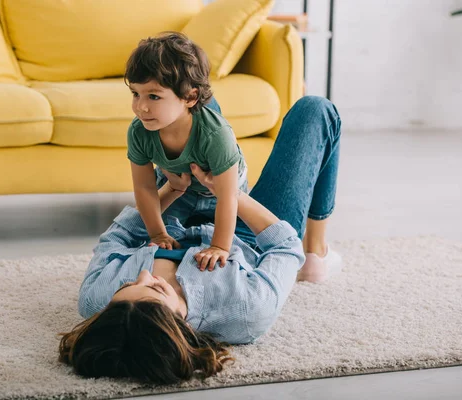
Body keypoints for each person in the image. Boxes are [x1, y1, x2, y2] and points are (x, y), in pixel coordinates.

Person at [59, 96, 343, 384]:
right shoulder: (246, 312)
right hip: (246, 235)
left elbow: (120, 235)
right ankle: (316, 252)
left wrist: (172, 189)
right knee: (315, 110)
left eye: (129, 283)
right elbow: (284, 245)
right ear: (176, 325)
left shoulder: (97, 301)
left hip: (172, 214)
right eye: (155, 288)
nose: (144, 274)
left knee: (192, 107)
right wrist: (228, 192)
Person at [125, 32, 248, 269]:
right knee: (144, 240)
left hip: (222, 190)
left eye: (153, 96)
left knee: (235, 249)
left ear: (190, 97)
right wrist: (158, 234)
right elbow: (144, 187)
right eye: (135, 94)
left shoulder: (215, 135)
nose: (140, 106)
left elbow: (228, 196)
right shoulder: (139, 131)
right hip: (180, 185)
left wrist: (219, 247)